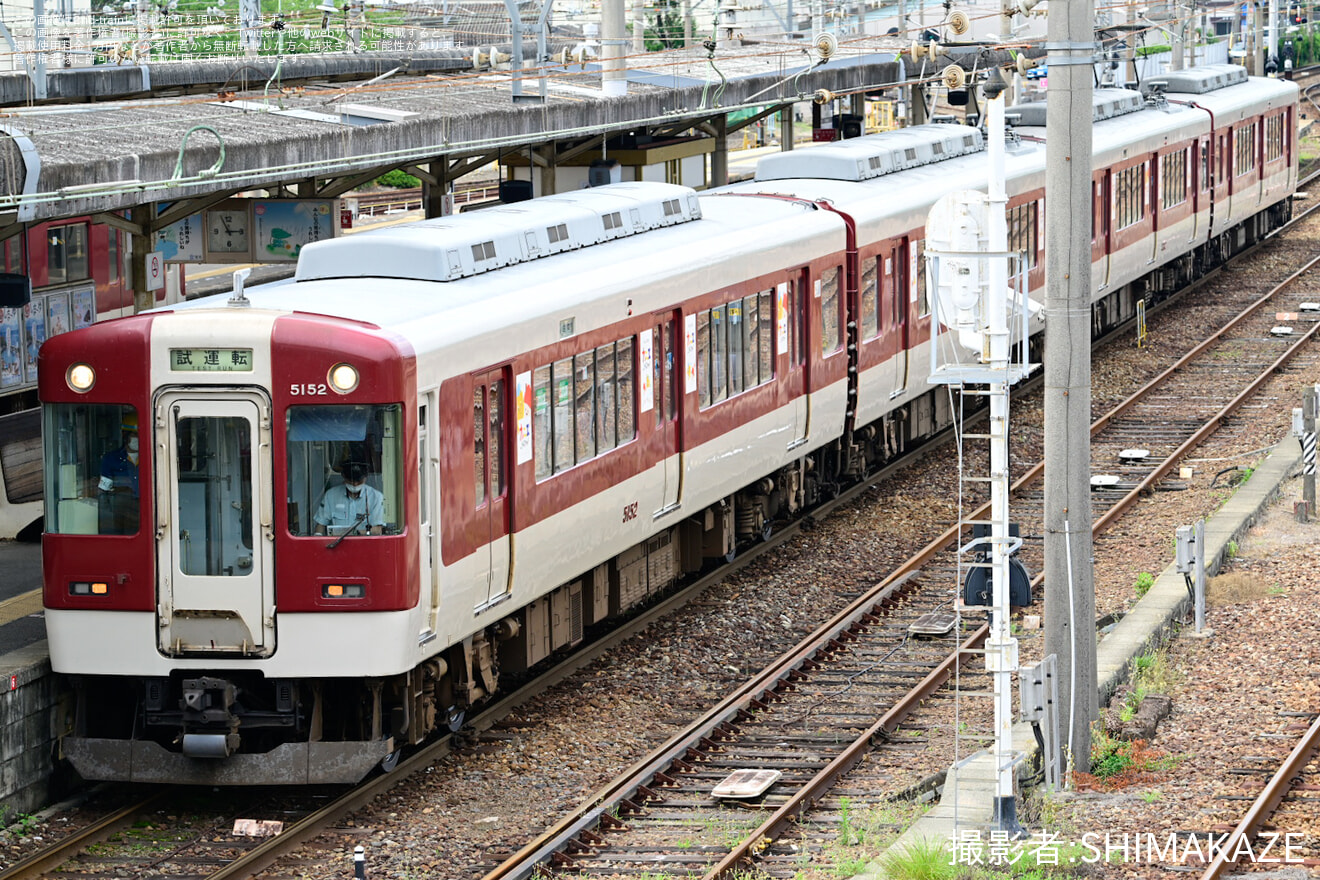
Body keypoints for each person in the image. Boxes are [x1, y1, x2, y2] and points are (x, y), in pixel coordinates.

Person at [313, 461, 385, 536]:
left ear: (365, 478)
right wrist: (317, 537)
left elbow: (377, 530)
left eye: (359, 481)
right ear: (343, 477)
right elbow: (320, 524)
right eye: (351, 481)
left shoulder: (376, 497)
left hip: (365, 544)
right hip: (336, 544)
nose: (355, 484)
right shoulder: (331, 495)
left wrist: (355, 533)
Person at [98, 411, 140, 534]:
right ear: (125, 435)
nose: (138, 438)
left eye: (140, 434)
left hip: (145, 509)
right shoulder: (111, 459)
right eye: (134, 434)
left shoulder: (153, 457)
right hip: (121, 508)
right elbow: (104, 489)